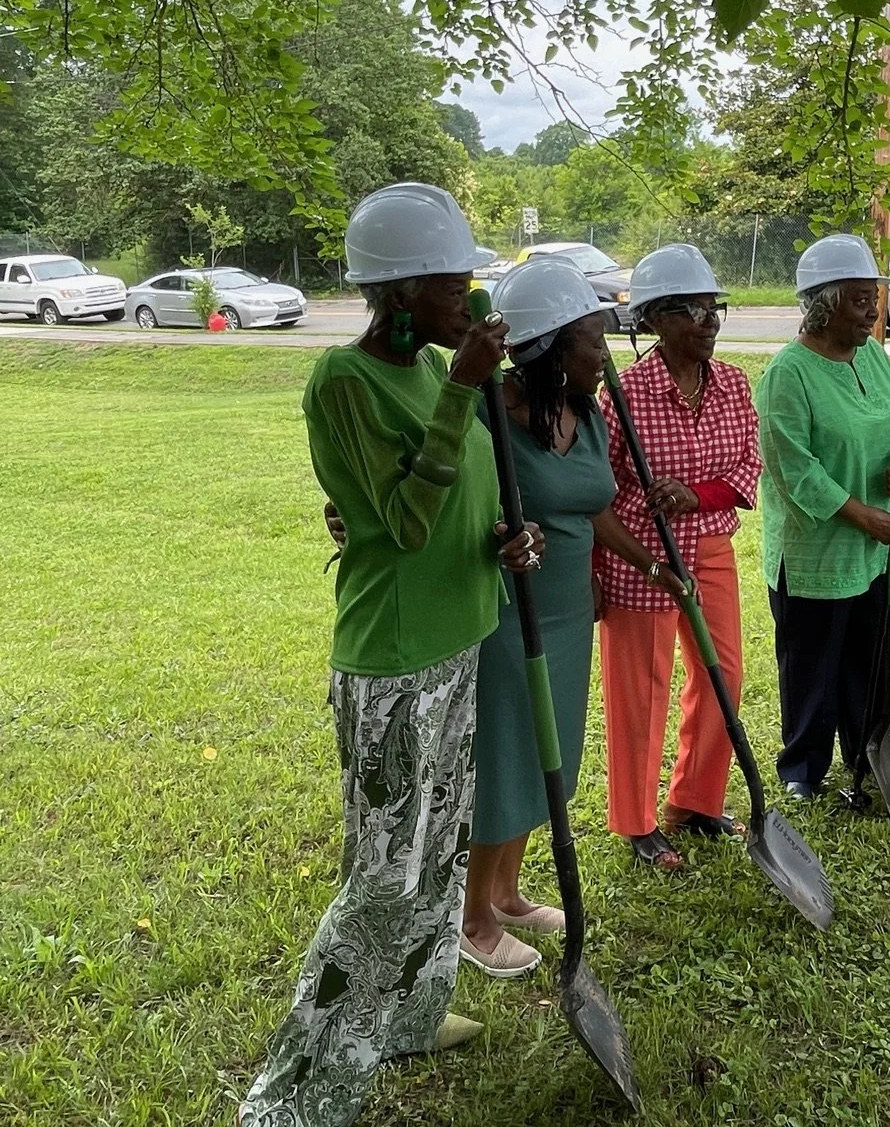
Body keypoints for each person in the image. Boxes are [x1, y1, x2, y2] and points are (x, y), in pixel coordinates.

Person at [241, 183, 541, 1127]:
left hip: (462, 641)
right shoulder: (347, 379)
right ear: (402, 291)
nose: (474, 303)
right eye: (457, 286)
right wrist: (460, 391)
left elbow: (455, 509)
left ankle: (409, 1014)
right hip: (394, 663)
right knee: (381, 871)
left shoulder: (436, 373)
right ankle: (293, 1096)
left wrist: (502, 542)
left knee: (442, 848)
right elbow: (405, 525)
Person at [460, 258, 682, 976]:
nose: (605, 355)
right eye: (593, 340)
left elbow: (594, 505)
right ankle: (468, 916)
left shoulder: (583, 415)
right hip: (506, 614)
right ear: (553, 347)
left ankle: (505, 892)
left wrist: (649, 565)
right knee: (504, 757)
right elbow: (459, 507)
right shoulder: (488, 414)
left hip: (566, 616)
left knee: (546, 756)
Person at [594, 244, 763, 871]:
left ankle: (695, 798)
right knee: (641, 688)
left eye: (712, 308)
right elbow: (599, 491)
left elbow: (749, 467)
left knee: (723, 677)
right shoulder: (624, 396)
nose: (707, 321)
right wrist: (599, 571)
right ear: (655, 319)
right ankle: (636, 822)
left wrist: (695, 495)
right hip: (642, 555)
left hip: (710, 547)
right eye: (691, 310)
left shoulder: (733, 385)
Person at [756, 233, 890, 806]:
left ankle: (869, 750)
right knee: (813, 664)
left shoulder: (873, 356)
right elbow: (793, 470)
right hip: (815, 550)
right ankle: (803, 767)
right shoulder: (788, 374)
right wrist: (863, 517)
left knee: (871, 656)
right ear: (824, 306)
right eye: (858, 300)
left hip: (875, 547)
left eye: (873, 298)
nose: (872, 311)